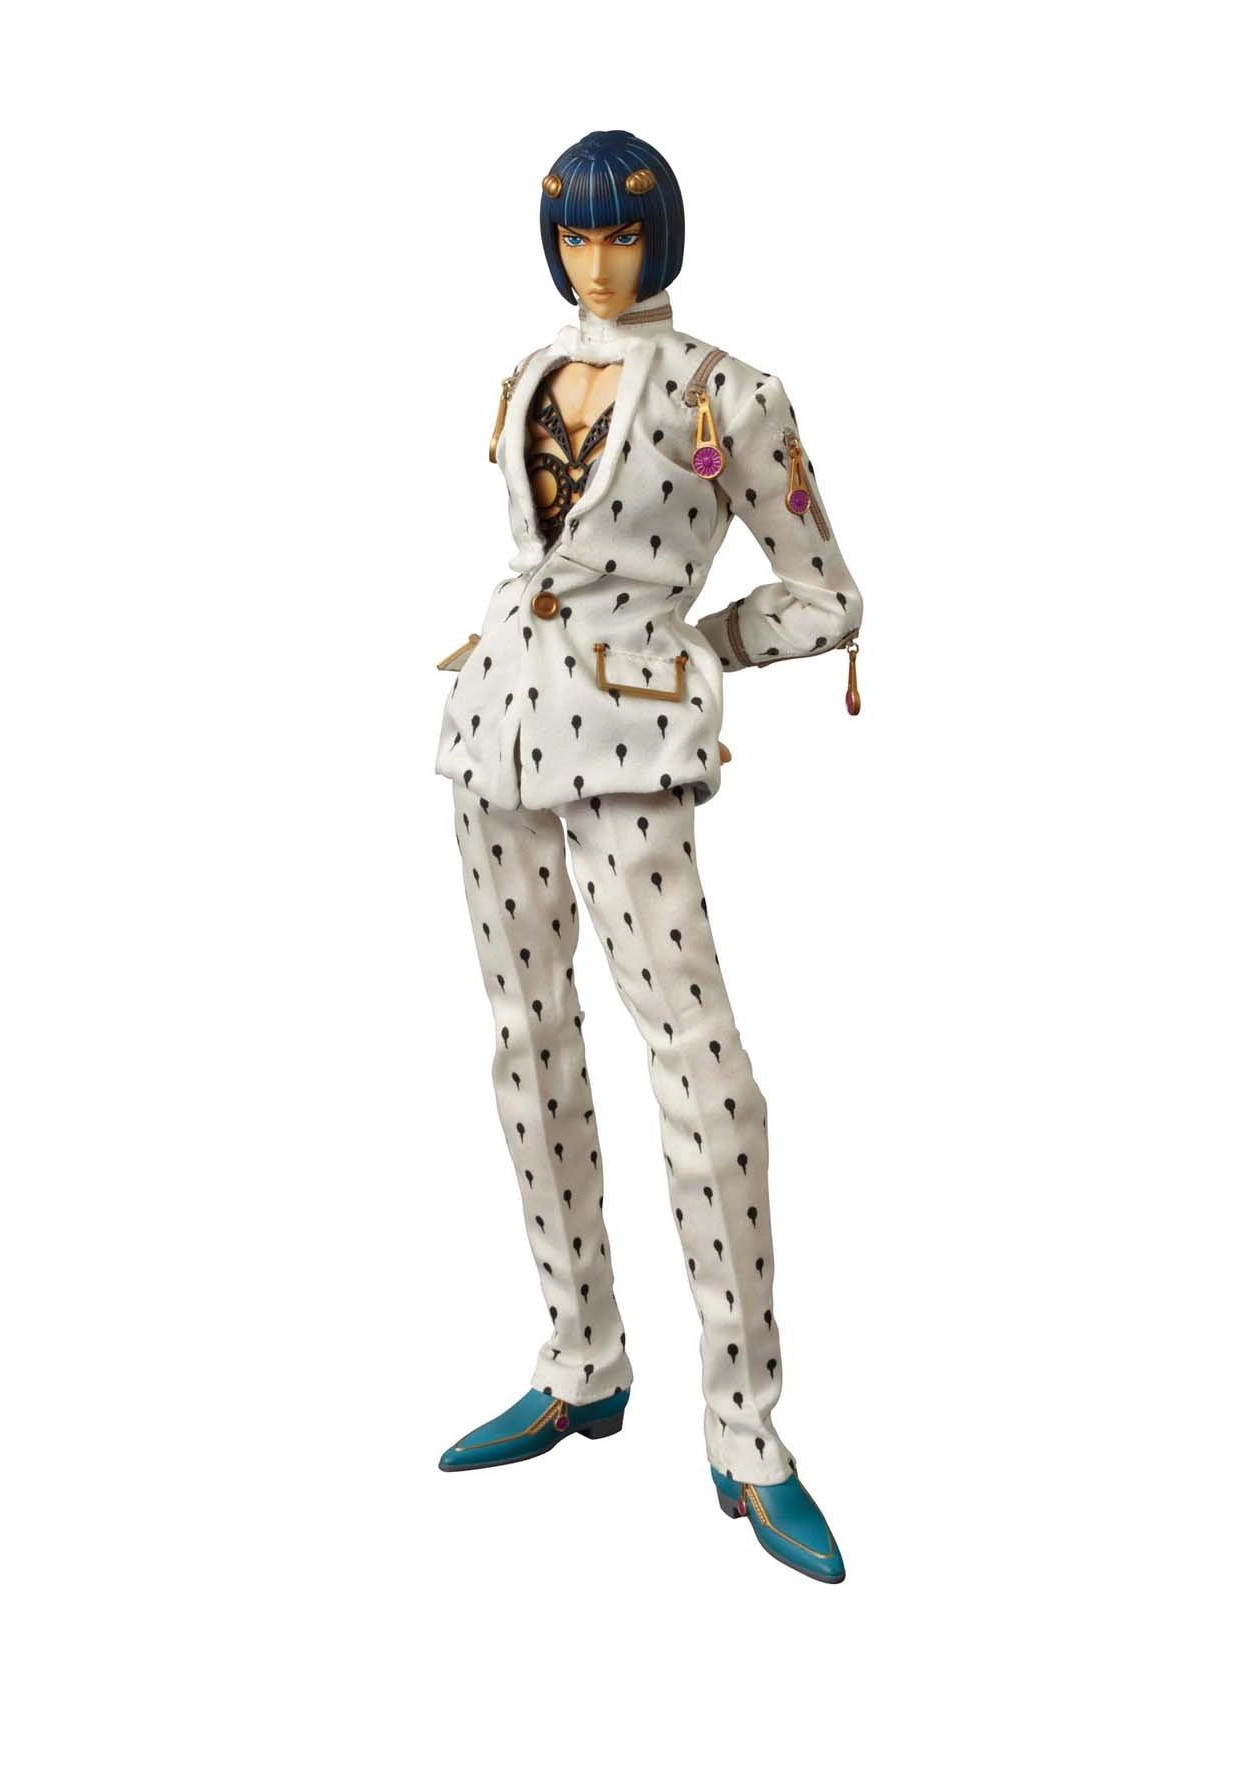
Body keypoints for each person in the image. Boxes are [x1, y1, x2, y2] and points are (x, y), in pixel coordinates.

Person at [432, 129, 863, 1583]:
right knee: (524, 1040)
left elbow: (827, 597)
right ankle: (580, 1356)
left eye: (623, 233)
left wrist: (689, 656)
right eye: (576, 235)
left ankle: (748, 1428)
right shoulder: (527, 374)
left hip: (630, 751)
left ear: (662, 236)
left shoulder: (728, 392)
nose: (598, 262)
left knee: (699, 1065)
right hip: (492, 736)